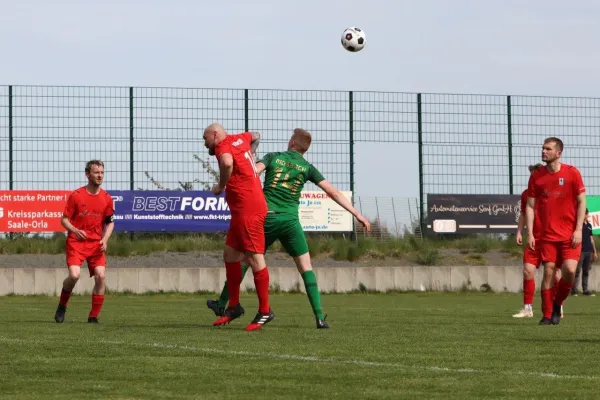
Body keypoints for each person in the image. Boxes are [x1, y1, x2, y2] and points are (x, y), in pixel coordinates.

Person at [206, 128, 372, 329]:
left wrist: (227, 180)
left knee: (246, 259)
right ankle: (319, 317)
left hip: (266, 217)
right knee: (306, 267)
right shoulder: (307, 168)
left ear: (292, 143)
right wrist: (357, 214)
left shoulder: (274, 157)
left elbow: (251, 171)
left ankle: (225, 303)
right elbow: (333, 192)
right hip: (291, 222)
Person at [203, 122, 273, 331]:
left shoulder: (222, 146)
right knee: (230, 255)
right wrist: (249, 156)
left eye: (205, 138)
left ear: (215, 135)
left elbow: (226, 163)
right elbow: (256, 135)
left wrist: (222, 185)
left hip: (248, 208)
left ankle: (265, 311)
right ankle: (234, 306)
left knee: (254, 257)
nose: (205, 143)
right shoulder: (240, 138)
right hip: (243, 209)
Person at [526, 137, 586, 325]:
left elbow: (582, 201)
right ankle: (546, 314)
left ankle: (558, 302)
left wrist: (578, 230)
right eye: (543, 148)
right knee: (549, 272)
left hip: (570, 235)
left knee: (569, 270)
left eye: (548, 149)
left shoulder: (572, 173)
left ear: (558, 153)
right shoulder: (537, 176)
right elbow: (529, 206)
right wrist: (529, 233)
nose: (543, 151)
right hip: (548, 236)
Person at [54, 160, 115, 324]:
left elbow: (110, 222)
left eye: (102, 172)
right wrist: (75, 230)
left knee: (101, 276)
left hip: (96, 244)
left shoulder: (107, 198)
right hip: (76, 242)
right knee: (74, 275)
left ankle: (93, 316)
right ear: (87, 174)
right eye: (96, 172)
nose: (100, 175)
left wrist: (105, 239)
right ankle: (62, 306)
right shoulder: (76, 196)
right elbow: (64, 220)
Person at [513, 164, 563, 318]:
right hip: (534, 239)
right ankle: (528, 308)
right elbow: (523, 214)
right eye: (531, 175)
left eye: (536, 175)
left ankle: (557, 306)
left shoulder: (553, 193)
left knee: (555, 274)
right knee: (528, 270)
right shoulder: (526, 195)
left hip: (552, 238)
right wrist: (520, 232)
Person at [571, 208, 597, 296]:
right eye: (586, 214)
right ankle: (574, 290)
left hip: (589, 251)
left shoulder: (589, 225)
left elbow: (591, 239)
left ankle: (585, 290)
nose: (587, 215)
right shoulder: (578, 226)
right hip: (580, 251)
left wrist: (595, 251)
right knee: (577, 270)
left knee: (586, 271)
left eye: (587, 214)